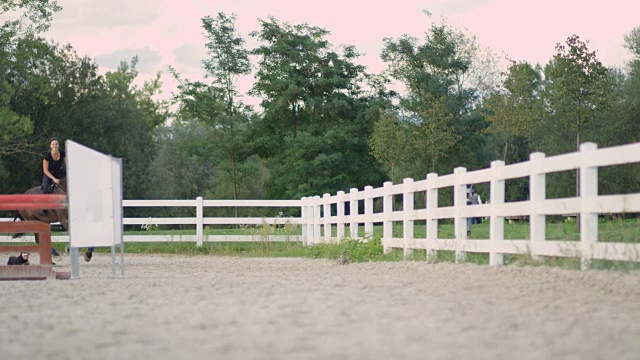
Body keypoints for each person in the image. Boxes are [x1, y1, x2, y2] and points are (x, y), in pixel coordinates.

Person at [39, 137, 67, 216]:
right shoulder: (47, 156)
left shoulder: (63, 153)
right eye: (53, 144)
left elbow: (67, 165)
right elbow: (45, 170)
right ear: (50, 146)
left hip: (59, 171)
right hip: (49, 173)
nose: (55, 146)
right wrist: (54, 179)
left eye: (56, 144)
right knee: (45, 188)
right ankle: (42, 208)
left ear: (58, 145)